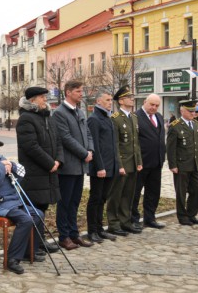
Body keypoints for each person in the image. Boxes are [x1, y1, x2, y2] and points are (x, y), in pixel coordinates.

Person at [0, 139, 43, 274]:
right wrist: (1, 166)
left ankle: (28, 252)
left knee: (38, 214)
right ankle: (11, 259)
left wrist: (11, 166)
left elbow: (20, 176)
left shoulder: (2, 160)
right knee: (25, 219)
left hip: (11, 201)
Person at [16, 86, 62, 253]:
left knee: (42, 207)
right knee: (34, 209)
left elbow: (57, 141)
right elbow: (31, 147)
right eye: (42, 97)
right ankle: (31, 246)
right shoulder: (26, 119)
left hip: (48, 171)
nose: (45, 100)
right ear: (32, 100)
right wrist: (50, 163)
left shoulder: (47, 117)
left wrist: (58, 160)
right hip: (35, 173)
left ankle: (40, 241)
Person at [51, 80, 95, 250]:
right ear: (68, 92)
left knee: (75, 201)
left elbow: (88, 133)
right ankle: (64, 236)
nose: (81, 94)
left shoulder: (80, 111)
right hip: (68, 166)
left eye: (81, 90)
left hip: (81, 165)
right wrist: (84, 153)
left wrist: (90, 149)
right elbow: (65, 138)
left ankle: (74, 234)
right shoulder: (59, 113)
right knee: (65, 202)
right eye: (78, 91)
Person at [106, 86, 143, 235]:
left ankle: (125, 221)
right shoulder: (115, 119)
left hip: (133, 162)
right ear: (121, 101)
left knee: (129, 194)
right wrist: (119, 165)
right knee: (116, 195)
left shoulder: (133, 117)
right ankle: (113, 224)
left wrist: (139, 161)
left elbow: (136, 143)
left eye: (132, 97)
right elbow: (115, 145)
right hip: (122, 163)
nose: (132, 99)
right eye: (129, 97)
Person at [86, 90, 120, 243]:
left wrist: (116, 165)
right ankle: (92, 230)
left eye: (111, 100)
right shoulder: (94, 119)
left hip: (110, 166)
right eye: (107, 100)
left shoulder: (108, 118)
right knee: (95, 199)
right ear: (98, 101)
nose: (110, 102)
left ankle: (100, 229)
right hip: (99, 168)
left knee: (103, 199)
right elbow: (95, 146)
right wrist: (99, 166)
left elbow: (113, 145)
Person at [131, 94, 166, 229]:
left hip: (156, 162)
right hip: (141, 162)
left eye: (157, 105)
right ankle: (133, 219)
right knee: (135, 192)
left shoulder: (159, 117)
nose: (154, 108)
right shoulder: (135, 117)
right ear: (145, 102)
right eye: (152, 104)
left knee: (153, 192)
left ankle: (150, 218)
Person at [166, 99, 198, 226]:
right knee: (181, 193)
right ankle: (182, 216)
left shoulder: (197, 125)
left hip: (195, 164)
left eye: (194, 111)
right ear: (182, 111)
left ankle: (191, 214)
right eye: (190, 111)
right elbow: (170, 148)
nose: (193, 113)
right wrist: (173, 165)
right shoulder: (175, 126)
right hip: (182, 164)